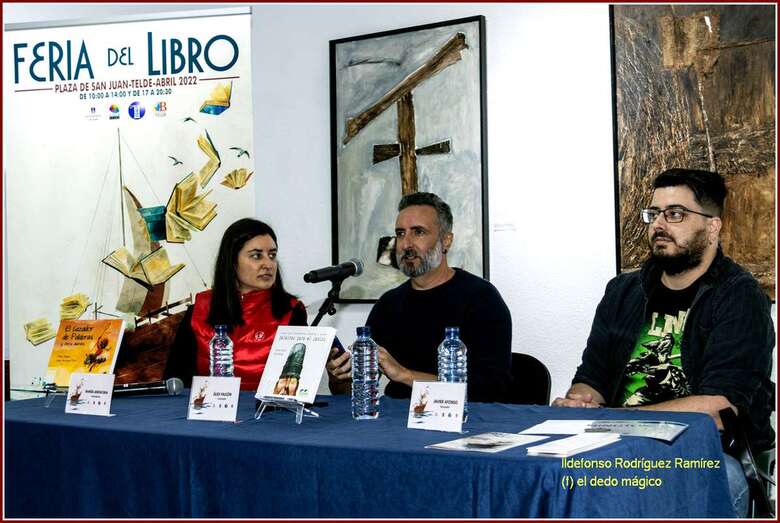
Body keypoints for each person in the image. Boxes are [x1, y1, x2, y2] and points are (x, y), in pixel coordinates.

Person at [553, 168, 775, 517]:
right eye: (653, 214)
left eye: (675, 214)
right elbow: (592, 375)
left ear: (712, 226)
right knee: (543, 475)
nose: (658, 224)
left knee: (708, 480)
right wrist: (581, 402)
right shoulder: (623, 291)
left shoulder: (740, 298)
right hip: (615, 444)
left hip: (702, 453)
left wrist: (615, 418)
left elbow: (720, 410)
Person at [327, 192, 512, 402]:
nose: (406, 244)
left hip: (463, 423)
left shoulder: (482, 299)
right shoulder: (389, 303)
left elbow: (491, 389)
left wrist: (404, 375)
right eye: (400, 233)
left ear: (446, 241)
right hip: (394, 423)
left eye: (418, 232)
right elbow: (358, 393)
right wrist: (339, 378)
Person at [165, 218, 307, 391]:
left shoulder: (291, 311)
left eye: (272, 255)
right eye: (256, 256)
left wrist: (337, 378)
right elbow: (175, 380)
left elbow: (299, 383)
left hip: (268, 414)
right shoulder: (200, 310)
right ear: (232, 261)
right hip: (208, 412)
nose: (268, 264)